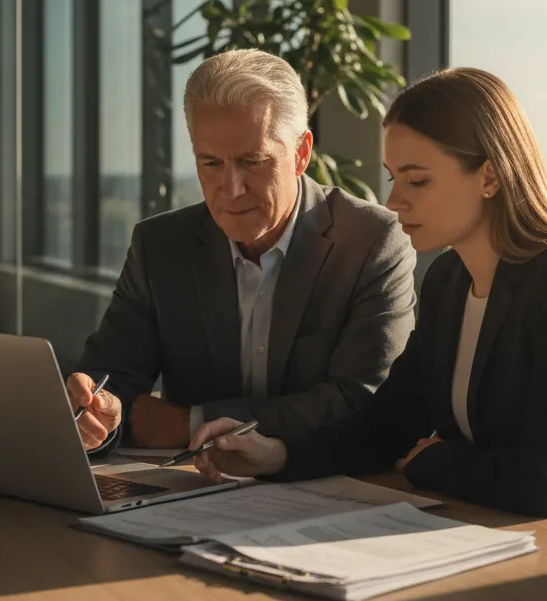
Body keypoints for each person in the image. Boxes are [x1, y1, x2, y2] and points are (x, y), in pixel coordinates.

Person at [187, 67, 547, 560]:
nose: (394, 200)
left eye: (417, 181)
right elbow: (387, 424)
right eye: (393, 179)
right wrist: (276, 453)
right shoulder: (450, 282)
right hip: (511, 543)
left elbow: (546, 485)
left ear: (490, 177)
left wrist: (432, 461)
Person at [69, 49, 417, 454]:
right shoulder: (160, 245)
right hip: (188, 492)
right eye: (210, 163)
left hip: (324, 488)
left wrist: (192, 423)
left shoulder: (371, 240)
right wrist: (101, 414)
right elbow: (110, 381)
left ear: (301, 153)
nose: (231, 188)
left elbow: (365, 400)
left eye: (252, 161)